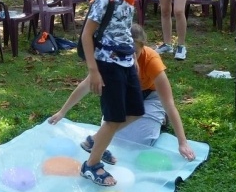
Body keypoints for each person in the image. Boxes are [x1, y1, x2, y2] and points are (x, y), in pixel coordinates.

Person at [76, 0, 163, 186]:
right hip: (107, 65)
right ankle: (91, 165)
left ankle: (97, 139)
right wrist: (93, 71)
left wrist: (132, 60)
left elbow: (124, 30)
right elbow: (86, 35)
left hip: (125, 61)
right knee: (114, 117)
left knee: (136, 111)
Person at [49, 23, 195, 160]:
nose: (129, 58)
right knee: (113, 133)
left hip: (151, 97)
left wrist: (182, 142)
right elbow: (86, 84)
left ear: (142, 47)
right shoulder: (112, 57)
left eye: (134, 53)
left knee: (140, 142)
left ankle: (159, 117)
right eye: (125, 52)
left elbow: (169, 103)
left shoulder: (151, 60)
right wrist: (62, 112)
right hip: (127, 94)